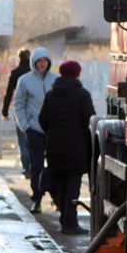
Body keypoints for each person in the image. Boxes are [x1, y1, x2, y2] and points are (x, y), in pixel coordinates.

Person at [38, 60, 95, 235]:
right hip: (75, 150)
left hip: (54, 148)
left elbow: (42, 120)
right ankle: (70, 223)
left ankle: (64, 219)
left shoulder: (51, 95)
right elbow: (90, 121)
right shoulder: (82, 95)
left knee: (61, 186)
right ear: (77, 74)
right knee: (72, 187)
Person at [13, 47, 58, 214]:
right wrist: (25, 125)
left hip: (53, 131)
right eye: (39, 61)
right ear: (33, 62)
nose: (42, 64)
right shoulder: (24, 81)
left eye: (45, 61)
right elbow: (19, 104)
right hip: (34, 130)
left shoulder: (56, 79)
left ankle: (56, 197)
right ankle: (37, 198)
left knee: (55, 165)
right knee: (36, 166)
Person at [2, 48, 31, 177]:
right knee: (34, 138)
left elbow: (8, 94)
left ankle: (26, 168)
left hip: (20, 110)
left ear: (19, 58)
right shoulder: (34, 73)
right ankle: (34, 166)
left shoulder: (15, 73)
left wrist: (5, 111)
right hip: (35, 110)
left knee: (22, 139)